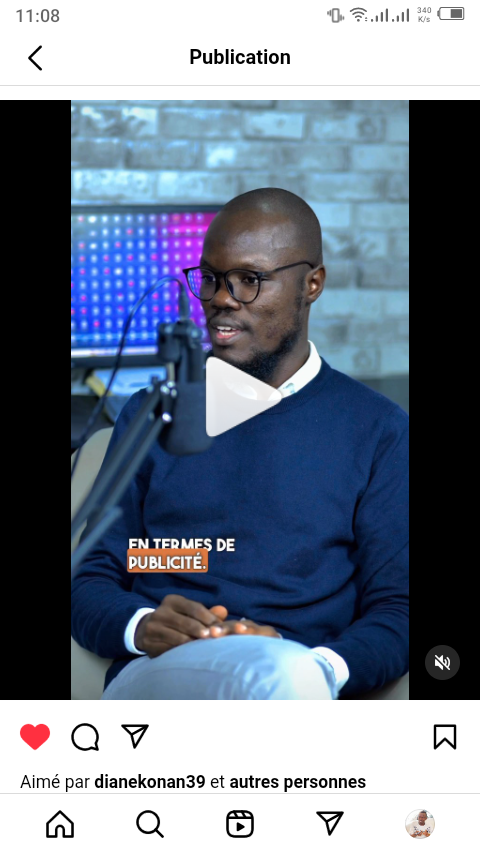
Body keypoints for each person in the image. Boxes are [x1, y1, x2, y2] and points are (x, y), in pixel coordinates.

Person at [71, 188, 409, 700]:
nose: (221, 299)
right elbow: (91, 577)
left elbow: (398, 608)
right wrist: (143, 625)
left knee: (281, 677)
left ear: (312, 284)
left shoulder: (378, 429)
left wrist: (319, 667)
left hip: (301, 680)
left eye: (249, 280)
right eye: (210, 278)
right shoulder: (152, 413)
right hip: (163, 672)